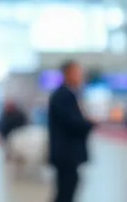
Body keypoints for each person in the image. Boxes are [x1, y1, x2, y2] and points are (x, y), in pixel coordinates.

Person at [48, 60, 93, 202]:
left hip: (67, 153)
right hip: (66, 153)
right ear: (68, 73)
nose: (80, 76)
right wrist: (89, 123)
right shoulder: (63, 96)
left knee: (67, 189)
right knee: (65, 191)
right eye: (77, 73)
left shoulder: (69, 94)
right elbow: (72, 122)